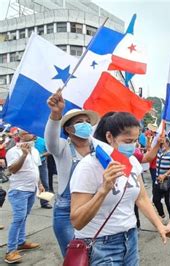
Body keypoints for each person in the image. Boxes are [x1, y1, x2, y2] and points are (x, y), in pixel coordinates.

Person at [70, 112, 170, 265]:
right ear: (110, 137)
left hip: (130, 239)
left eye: (136, 140)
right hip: (101, 244)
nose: (132, 146)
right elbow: (77, 221)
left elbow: (142, 198)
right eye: (127, 140)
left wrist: (160, 226)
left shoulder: (131, 161)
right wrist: (103, 190)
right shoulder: (88, 166)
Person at [45, 90, 99, 257]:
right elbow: (50, 141)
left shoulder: (98, 147)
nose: (85, 124)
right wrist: (56, 113)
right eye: (79, 122)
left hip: (94, 206)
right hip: (66, 212)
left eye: (87, 121)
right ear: (68, 129)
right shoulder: (62, 147)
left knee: (96, 256)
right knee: (75, 257)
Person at [4, 130, 43, 264]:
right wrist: (24, 155)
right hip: (19, 190)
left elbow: (35, 169)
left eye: (33, 133)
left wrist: (40, 184)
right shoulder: (13, 151)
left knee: (24, 217)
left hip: (32, 189)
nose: (32, 135)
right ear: (20, 136)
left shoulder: (36, 151)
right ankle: (10, 250)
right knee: (18, 218)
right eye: (29, 132)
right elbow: (12, 170)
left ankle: (21, 242)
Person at [144, 137, 170, 225]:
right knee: (155, 200)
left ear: (167, 143)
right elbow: (149, 149)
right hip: (158, 180)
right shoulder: (160, 151)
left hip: (169, 181)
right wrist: (149, 139)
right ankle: (162, 215)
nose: (161, 145)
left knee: (168, 200)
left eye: (162, 143)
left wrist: (165, 175)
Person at [34, 136, 52, 209]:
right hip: (29, 163)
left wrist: (41, 155)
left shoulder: (42, 140)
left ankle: (44, 202)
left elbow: (50, 151)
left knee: (45, 182)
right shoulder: (24, 141)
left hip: (42, 162)